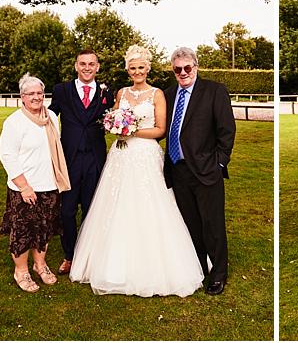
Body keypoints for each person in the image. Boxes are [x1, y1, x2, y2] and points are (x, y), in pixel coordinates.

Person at [70, 45, 204, 297]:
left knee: (150, 205)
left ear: (148, 68)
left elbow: (161, 129)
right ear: (127, 70)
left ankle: (155, 265)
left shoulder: (157, 95)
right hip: (121, 155)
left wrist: (132, 131)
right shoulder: (120, 93)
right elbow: (112, 119)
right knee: (117, 204)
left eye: (141, 67)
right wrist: (115, 127)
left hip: (145, 154)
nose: (137, 71)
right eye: (133, 68)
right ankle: (111, 263)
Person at [163, 47, 237, 295]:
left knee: (212, 223)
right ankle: (198, 266)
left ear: (196, 67)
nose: (183, 73)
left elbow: (227, 130)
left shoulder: (214, 91)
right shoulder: (169, 94)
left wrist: (219, 163)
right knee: (190, 223)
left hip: (206, 169)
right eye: (177, 69)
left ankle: (218, 273)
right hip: (177, 169)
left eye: (187, 67)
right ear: (173, 71)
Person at [0, 74, 69, 293]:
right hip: (25, 188)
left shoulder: (51, 118)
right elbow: (7, 155)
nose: (37, 97)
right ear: (22, 97)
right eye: (31, 94)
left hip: (49, 184)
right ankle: (21, 271)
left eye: (40, 93)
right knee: (23, 232)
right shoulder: (14, 122)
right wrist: (24, 186)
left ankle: (40, 265)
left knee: (44, 230)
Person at [49, 50, 111, 275]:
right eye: (83, 64)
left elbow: (112, 117)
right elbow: (49, 115)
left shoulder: (106, 91)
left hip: (95, 159)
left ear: (97, 67)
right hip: (69, 159)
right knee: (66, 211)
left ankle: (89, 255)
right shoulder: (62, 90)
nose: (87, 67)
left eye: (91, 64)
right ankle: (69, 256)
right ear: (76, 66)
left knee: (91, 208)